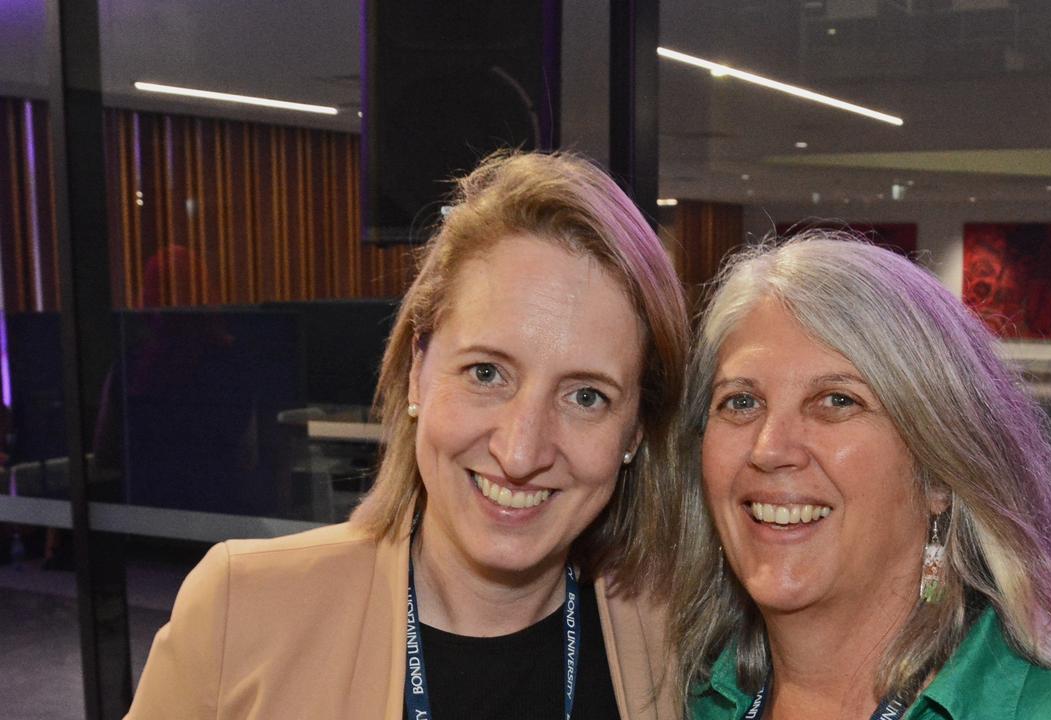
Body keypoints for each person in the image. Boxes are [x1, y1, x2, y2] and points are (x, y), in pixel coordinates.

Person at [127, 151, 689, 719]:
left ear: (636, 431)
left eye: (586, 396)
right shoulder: (240, 612)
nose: (520, 453)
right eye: (486, 373)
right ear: (417, 368)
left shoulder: (680, 643)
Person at [672, 233, 1051, 720]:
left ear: (940, 474)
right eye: (740, 401)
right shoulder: (682, 698)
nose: (769, 448)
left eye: (837, 401)